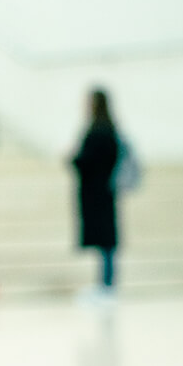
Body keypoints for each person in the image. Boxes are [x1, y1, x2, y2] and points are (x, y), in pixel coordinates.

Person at [71, 87, 121, 299]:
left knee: (105, 243)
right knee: (106, 243)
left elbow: (87, 160)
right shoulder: (110, 129)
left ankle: (106, 286)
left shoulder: (97, 130)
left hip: (97, 193)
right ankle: (106, 285)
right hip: (104, 192)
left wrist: (74, 159)